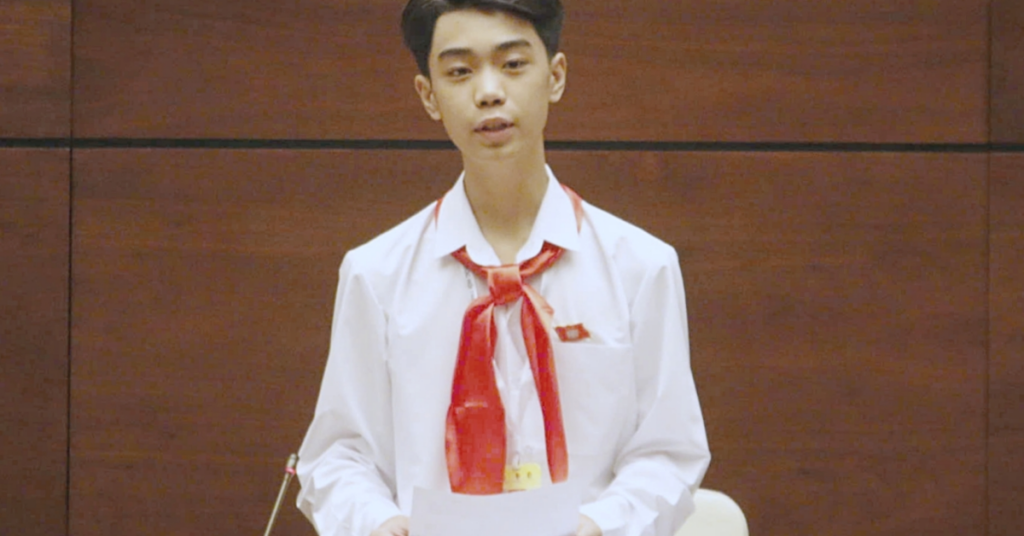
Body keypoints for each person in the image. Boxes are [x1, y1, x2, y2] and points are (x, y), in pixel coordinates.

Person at [295, 1, 710, 535]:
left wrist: (601, 526)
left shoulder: (641, 267)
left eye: (513, 64)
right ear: (428, 95)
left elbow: (669, 452)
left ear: (555, 76)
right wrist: (379, 524)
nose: (488, 91)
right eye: (459, 71)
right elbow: (337, 456)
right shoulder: (375, 275)